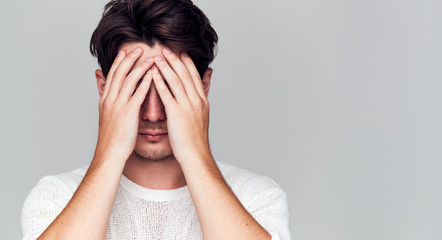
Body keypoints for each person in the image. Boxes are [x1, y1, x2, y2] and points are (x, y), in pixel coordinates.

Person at [21, 0, 291, 239]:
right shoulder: (56, 197)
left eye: (170, 88)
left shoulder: (255, 198)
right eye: (135, 87)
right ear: (104, 88)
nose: (153, 114)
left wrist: (195, 152)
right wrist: (110, 151)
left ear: (203, 86)